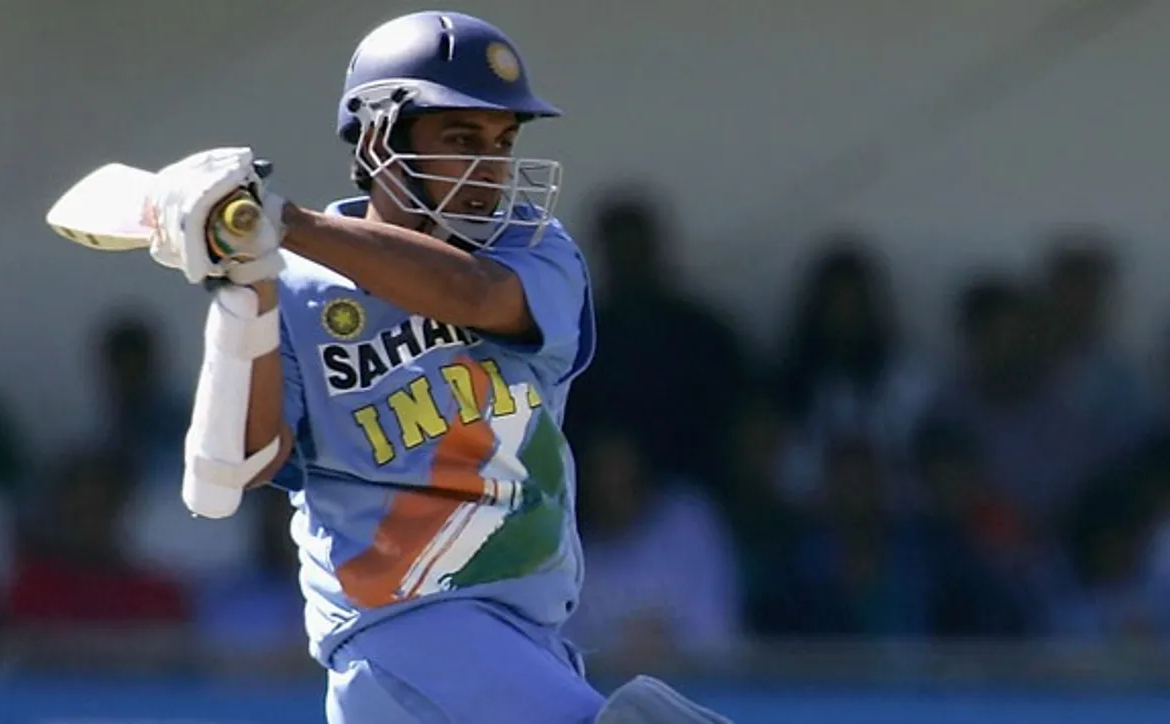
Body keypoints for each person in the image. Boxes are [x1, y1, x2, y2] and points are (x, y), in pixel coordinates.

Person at [140, 10, 730, 724]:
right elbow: (241, 463)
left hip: (527, 636)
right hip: (399, 636)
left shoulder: (535, 249)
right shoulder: (292, 287)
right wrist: (244, 288)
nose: (491, 168)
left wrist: (286, 221)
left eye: (502, 142)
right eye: (461, 139)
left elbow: (472, 294)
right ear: (382, 141)